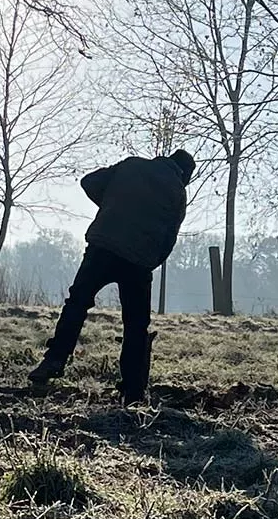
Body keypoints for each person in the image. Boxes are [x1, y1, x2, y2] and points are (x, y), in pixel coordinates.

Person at [28, 149, 194, 404]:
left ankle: (53, 360)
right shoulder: (177, 192)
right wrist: (151, 261)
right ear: (185, 174)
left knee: (77, 303)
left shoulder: (132, 165)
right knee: (136, 326)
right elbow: (169, 238)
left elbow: (89, 181)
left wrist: (112, 207)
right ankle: (133, 391)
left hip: (102, 246)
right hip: (138, 261)